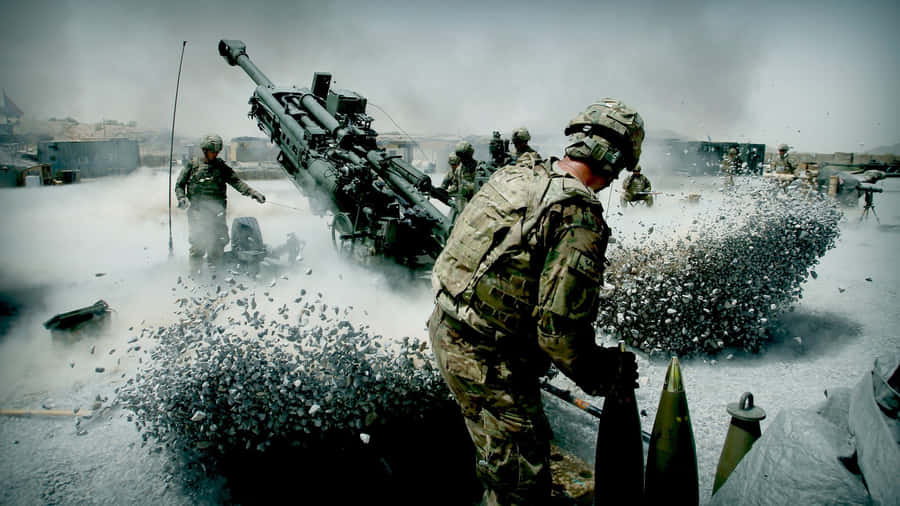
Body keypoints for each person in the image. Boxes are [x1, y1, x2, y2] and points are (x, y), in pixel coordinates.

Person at [428, 98, 642, 505]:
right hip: (487, 360)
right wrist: (603, 372)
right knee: (521, 485)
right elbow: (559, 333)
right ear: (612, 158)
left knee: (499, 452)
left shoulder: (516, 174)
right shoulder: (577, 213)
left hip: (448, 328)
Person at [175, 134, 266, 273]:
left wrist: (253, 193)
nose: (215, 154)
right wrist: (181, 198)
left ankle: (215, 275)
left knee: (218, 242)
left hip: (217, 212)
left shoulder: (221, 167)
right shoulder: (192, 165)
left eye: (217, 152)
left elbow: (236, 182)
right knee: (198, 244)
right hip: (197, 212)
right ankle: (194, 277)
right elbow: (179, 185)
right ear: (205, 150)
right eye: (213, 151)